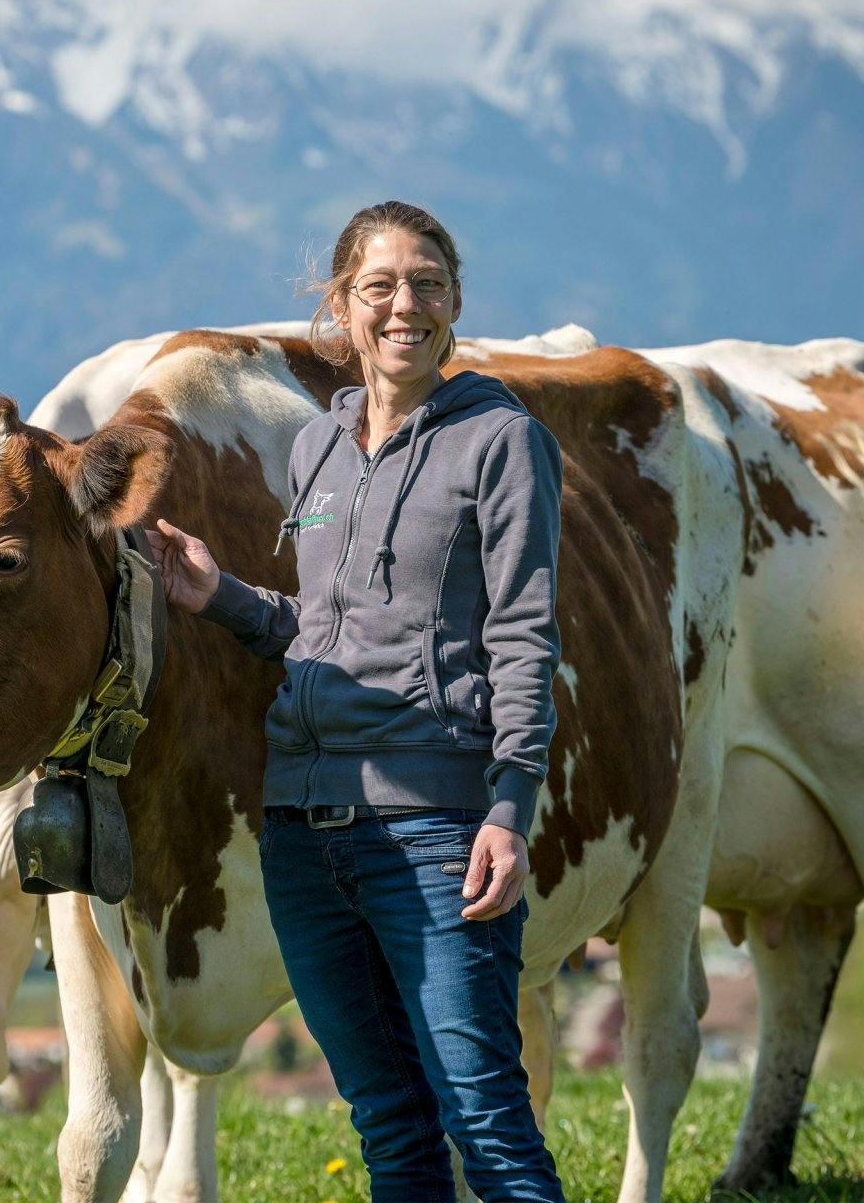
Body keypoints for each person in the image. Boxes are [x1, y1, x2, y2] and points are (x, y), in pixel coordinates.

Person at [148, 201, 567, 1200]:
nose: (404, 305)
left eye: (426, 283)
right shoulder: (317, 452)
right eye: (379, 286)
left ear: (456, 301)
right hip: (305, 829)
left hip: (435, 823)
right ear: (340, 305)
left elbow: (524, 634)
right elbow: (330, 631)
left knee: (486, 1118)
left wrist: (509, 806)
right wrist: (227, 597)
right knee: (388, 1121)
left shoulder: (503, 442)